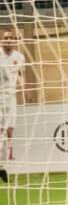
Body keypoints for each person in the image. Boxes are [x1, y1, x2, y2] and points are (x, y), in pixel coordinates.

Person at [0, 28, 26, 184]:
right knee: (1, 132)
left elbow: (19, 75)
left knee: (9, 133)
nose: (8, 40)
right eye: (5, 37)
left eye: (11, 37)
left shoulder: (19, 57)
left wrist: (24, 85)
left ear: (15, 40)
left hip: (11, 99)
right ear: (2, 40)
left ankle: (2, 166)